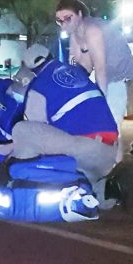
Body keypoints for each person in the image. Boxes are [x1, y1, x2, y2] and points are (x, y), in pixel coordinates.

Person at [12, 44, 119, 184]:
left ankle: (26, 184)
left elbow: (36, 127)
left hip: (85, 150)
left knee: (22, 130)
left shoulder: (38, 86)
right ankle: (92, 183)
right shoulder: (77, 72)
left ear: (30, 69)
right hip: (110, 152)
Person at [55, 0, 133, 161]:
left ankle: (115, 168)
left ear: (79, 15)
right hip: (107, 77)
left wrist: (98, 101)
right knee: (94, 126)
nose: (64, 24)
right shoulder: (75, 36)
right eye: (59, 21)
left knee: (111, 127)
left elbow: (100, 68)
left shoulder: (93, 30)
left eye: (68, 18)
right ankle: (100, 165)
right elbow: (81, 70)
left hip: (120, 79)